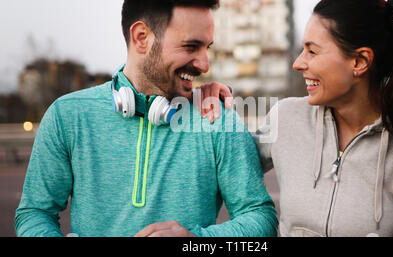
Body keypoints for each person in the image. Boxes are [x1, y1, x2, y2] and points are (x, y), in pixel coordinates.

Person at [15, 0, 278, 237]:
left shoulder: (218, 119)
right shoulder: (67, 115)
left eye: (207, 47)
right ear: (142, 38)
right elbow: (34, 214)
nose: (205, 64)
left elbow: (261, 218)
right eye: (191, 46)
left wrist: (196, 242)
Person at [197, 0, 393, 236]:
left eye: (312, 52)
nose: (298, 63)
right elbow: (220, 162)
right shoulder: (286, 118)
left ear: (360, 62)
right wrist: (209, 99)